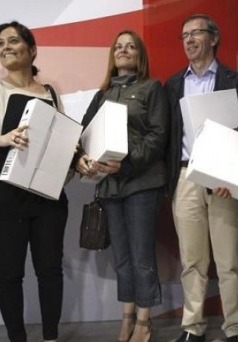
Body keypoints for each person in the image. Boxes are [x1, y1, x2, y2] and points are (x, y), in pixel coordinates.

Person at [0, 21, 68, 342]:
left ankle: (50, 337)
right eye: (0, 43)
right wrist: (3, 139)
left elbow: (61, 141)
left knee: (50, 271)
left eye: (13, 40)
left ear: (32, 50)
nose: (5, 47)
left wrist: (79, 159)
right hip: (3, 199)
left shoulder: (51, 93)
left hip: (48, 198)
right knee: (9, 274)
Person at [164, 14, 238, 342]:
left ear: (214, 38)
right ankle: (193, 328)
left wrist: (227, 148)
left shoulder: (235, 81)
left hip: (224, 177)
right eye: (184, 35)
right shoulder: (173, 84)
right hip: (186, 175)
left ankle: (235, 329)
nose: (189, 40)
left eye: (196, 33)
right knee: (192, 260)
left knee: (228, 261)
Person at [75, 29, 168, 342]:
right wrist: (83, 159)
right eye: (119, 46)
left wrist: (126, 164)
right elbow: (83, 135)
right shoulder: (101, 94)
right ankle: (126, 314)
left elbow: (158, 136)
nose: (124, 50)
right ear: (112, 55)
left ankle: (144, 320)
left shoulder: (152, 88)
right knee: (122, 258)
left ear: (140, 56)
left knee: (142, 255)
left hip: (142, 183)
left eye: (131, 47)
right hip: (108, 187)